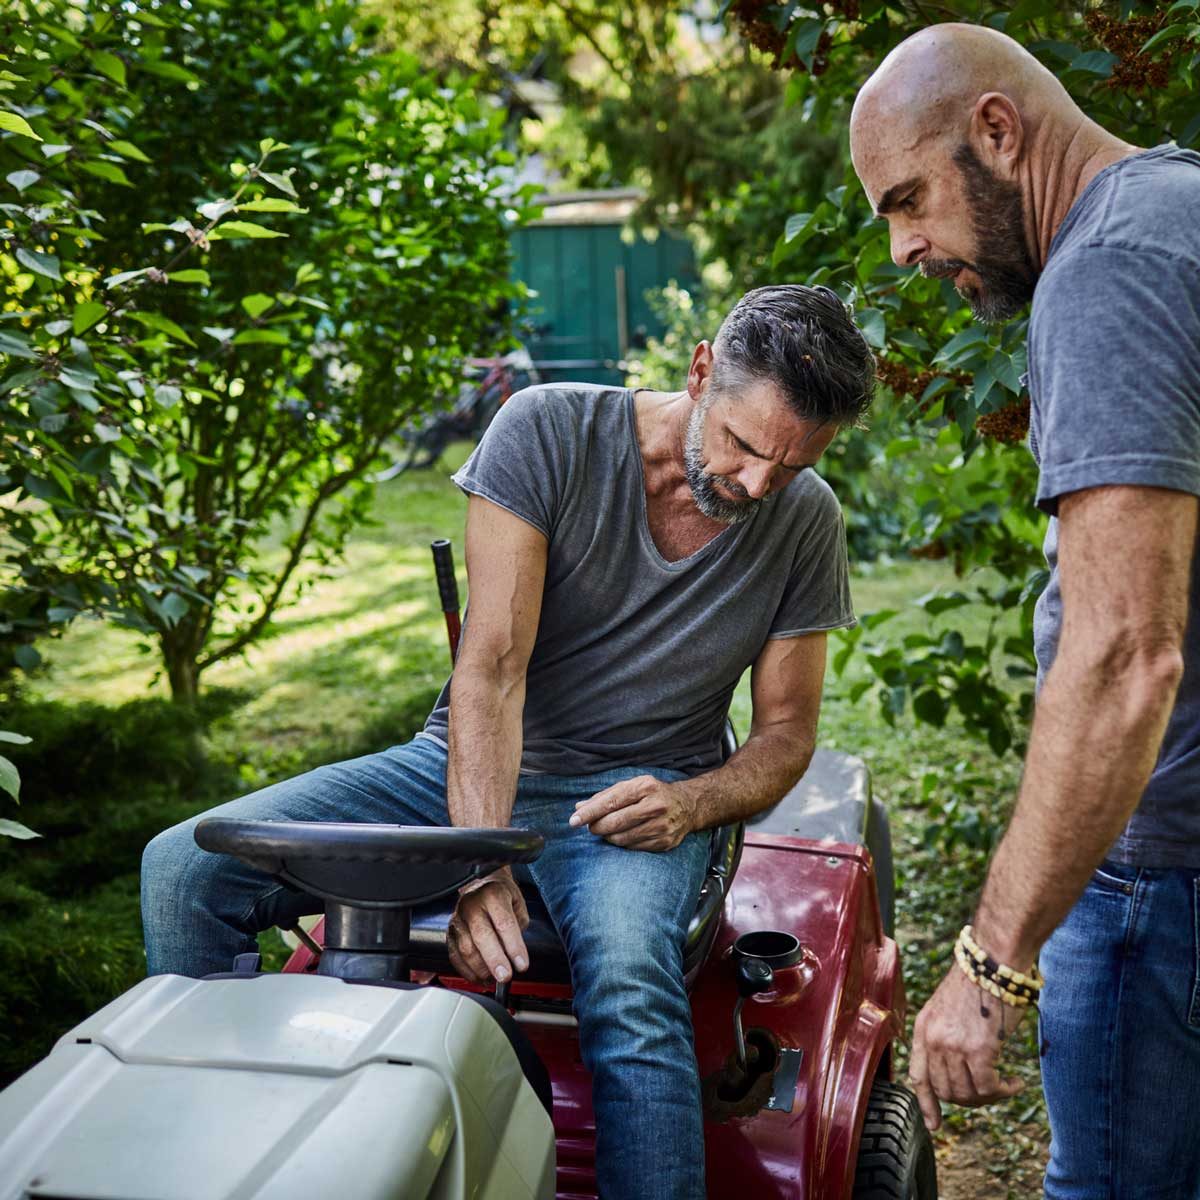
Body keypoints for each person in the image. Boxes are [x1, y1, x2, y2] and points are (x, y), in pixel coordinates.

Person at [141, 283, 875, 1199]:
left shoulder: (805, 522)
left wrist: (691, 802)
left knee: (632, 988)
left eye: (792, 466)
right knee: (184, 869)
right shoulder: (547, 431)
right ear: (699, 372)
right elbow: (490, 669)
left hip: (631, 805)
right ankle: (225, 1156)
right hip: (469, 757)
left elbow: (785, 737)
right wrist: (475, 864)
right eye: (745, 446)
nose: (759, 486)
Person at [850, 22, 1200, 1199]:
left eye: (910, 200)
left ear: (998, 133)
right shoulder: (1182, 209)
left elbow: (1121, 655)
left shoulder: (1110, 267)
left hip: (1163, 880)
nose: (903, 248)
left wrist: (991, 966)